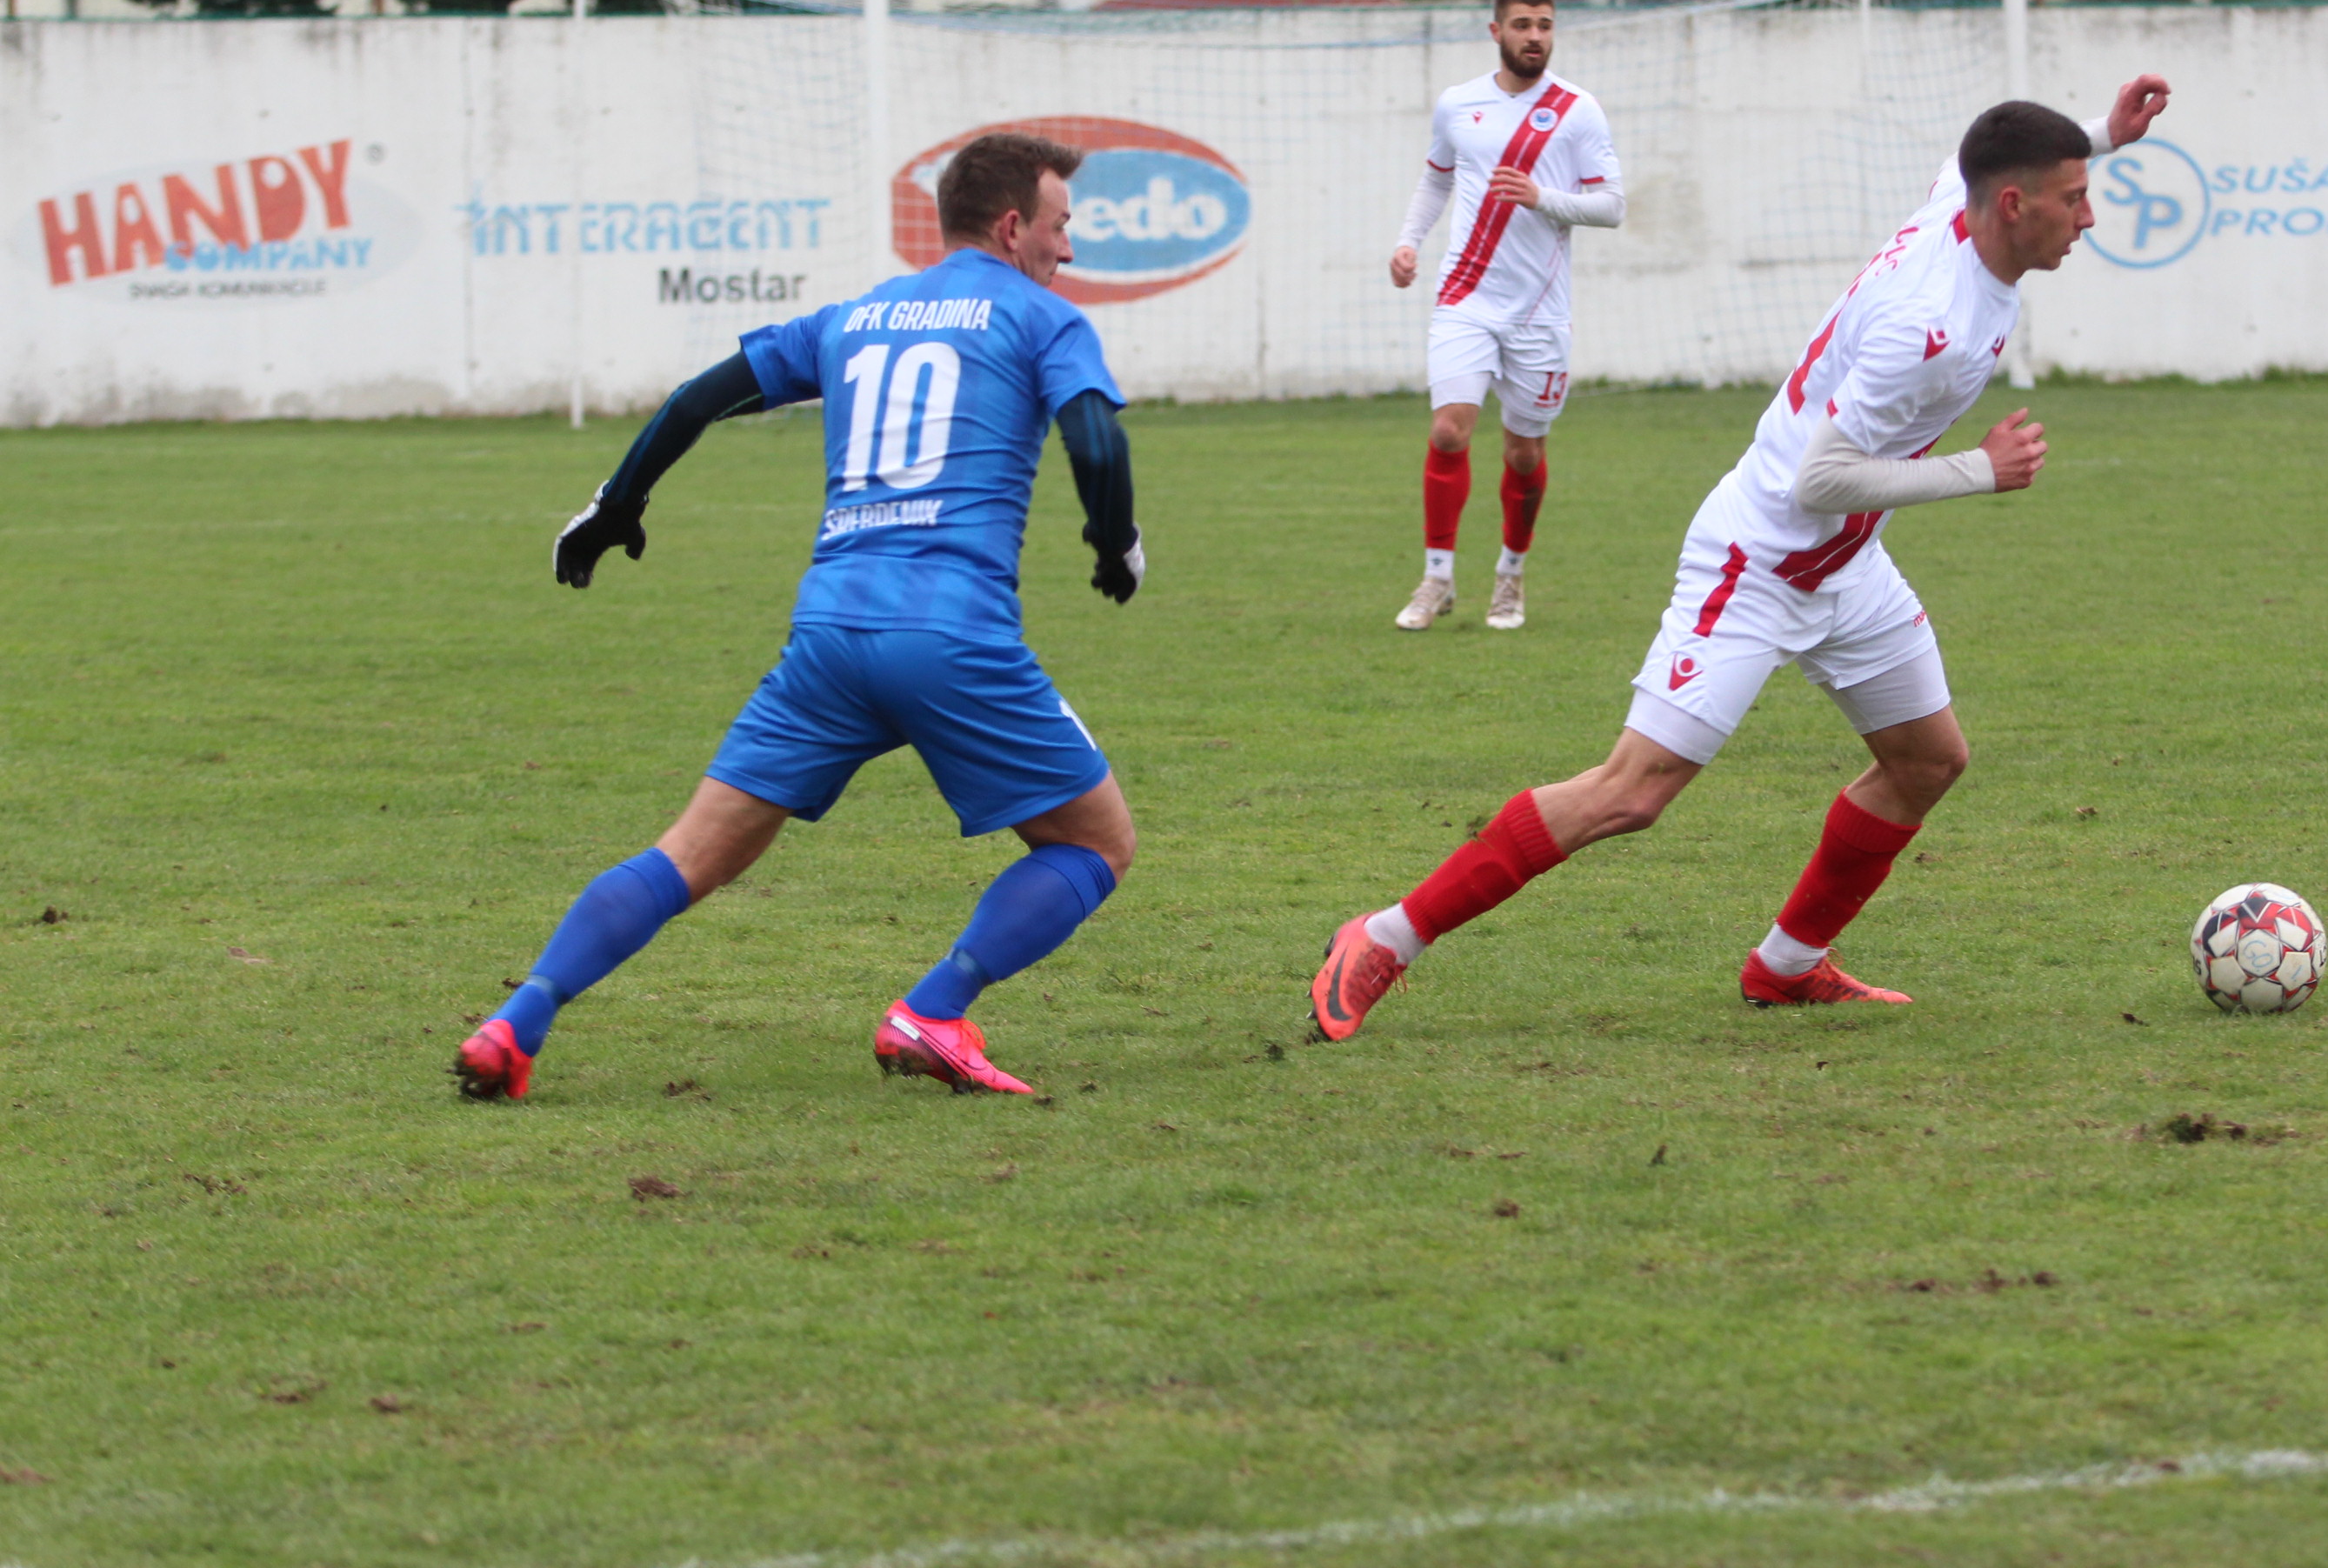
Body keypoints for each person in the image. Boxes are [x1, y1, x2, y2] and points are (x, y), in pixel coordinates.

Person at [1311, 76, 2171, 1039]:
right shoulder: (1925, 326)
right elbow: (1822, 480)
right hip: (1758, 560)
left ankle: (1788, 965)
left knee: (1927, 761)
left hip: (1846, 566)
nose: (2089, 216)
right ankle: (1385, 935)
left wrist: (2109, 132)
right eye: (2076, 196)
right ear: (2014, 206)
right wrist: (1981, 471)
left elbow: (1979, 160)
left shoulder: (1960, 210)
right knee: (1630, 793)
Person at [453, 133, 1145, 1103]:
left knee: (686, 854)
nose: (1067, 251)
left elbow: (700, 396)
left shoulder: (853, 319)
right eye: (1061, 227)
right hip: (951, 636)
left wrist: (619, 504)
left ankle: (514, 1023)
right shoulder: (1040, 318)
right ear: (1010, 226)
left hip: (827, 636)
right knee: (1096, 843)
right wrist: (1114, 541)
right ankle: (935, 1011)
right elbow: (1095, 439)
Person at [1387, 0, 1624, 633]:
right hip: (1466, 297)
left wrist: (1543, 197)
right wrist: (1409, 243)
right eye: (1523, 25)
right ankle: (1437, 577)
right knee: (1448, 430)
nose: (1536, 37)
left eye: (1545, 25)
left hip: (1540, 314)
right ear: (1496, 31)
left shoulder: (1578, 111)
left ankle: (1511, 574)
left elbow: (1612, 206)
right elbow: (1437, 177)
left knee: (1524, 452)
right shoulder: (1459, 104)